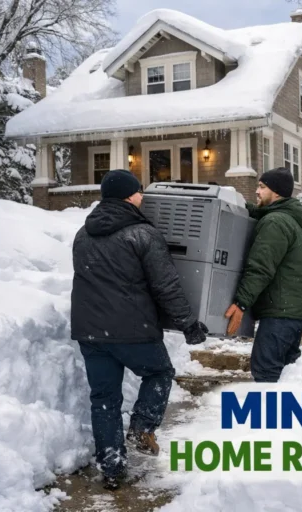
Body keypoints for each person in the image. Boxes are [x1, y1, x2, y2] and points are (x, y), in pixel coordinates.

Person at [70, 169, 207, 490]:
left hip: (90, 332)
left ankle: (113, 469)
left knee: (104, 399)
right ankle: (142, 425)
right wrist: (188, 324)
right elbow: (167, 286)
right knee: (159, 373)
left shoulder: (83, 233)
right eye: (139, 192)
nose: (143, 197)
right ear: (130, 196)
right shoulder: (143, 233)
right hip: (134, 329)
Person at [224, 167, 302, 382]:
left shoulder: (275, 222)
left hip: (282, 312)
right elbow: (259, 211)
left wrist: (241, 302)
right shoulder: (288, 219)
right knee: (286, 370)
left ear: (276, 193)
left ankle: (270, 414)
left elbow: (261, 267)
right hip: (292, 309)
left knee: (266, 370)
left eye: (262, 187)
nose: (257, 191)